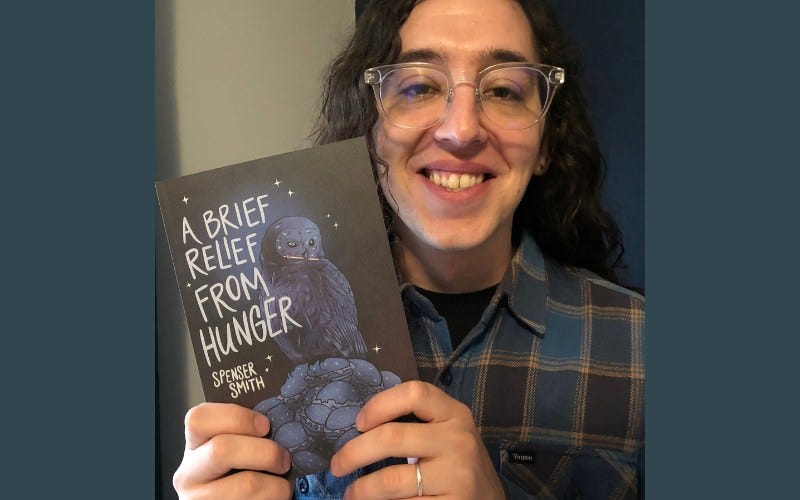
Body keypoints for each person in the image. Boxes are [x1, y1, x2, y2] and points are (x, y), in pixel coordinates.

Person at [172, 0, 644, 498]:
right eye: (419, 86)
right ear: (370, 128)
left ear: (546, 144)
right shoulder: (269, 339)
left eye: (504, 90)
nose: (460, 131)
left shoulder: (639, 351)